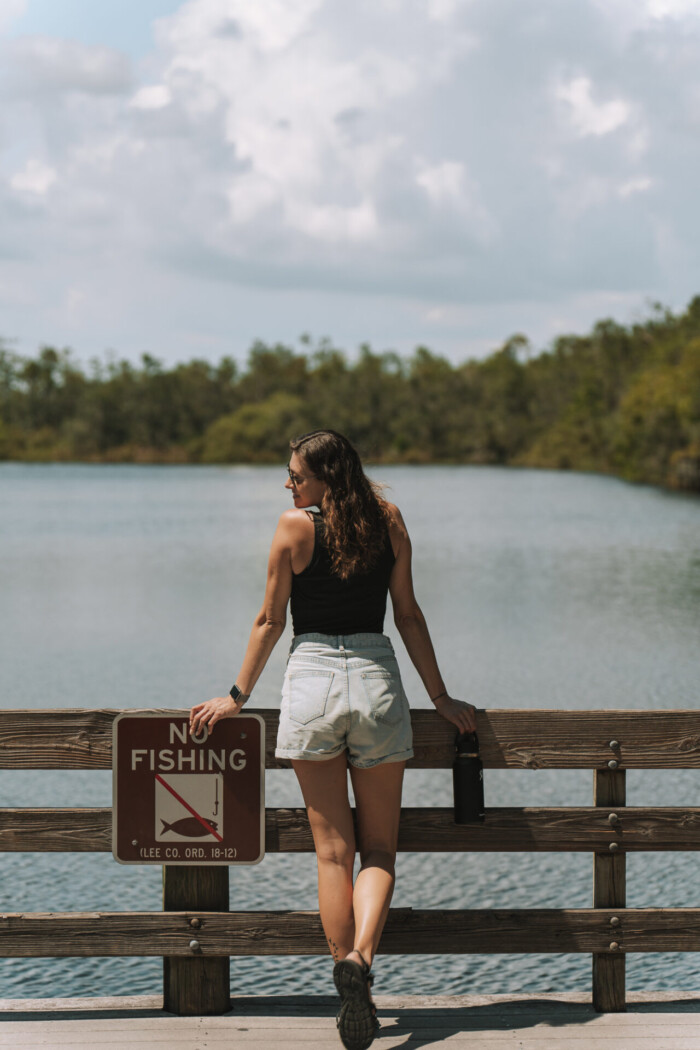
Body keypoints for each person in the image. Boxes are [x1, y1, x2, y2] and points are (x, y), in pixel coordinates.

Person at [189, 429, 476, 1050]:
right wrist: (442, 699)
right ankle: (361, 965)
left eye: (296, 475)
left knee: (331, 855)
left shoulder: (294, 528)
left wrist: (234, 697)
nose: (288, 485)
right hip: (376, 682)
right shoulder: (389, 519)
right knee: (379, 850)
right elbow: (408, 615)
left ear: (324, 477)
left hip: (311, 684)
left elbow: (270, 620)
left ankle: (344, 961)